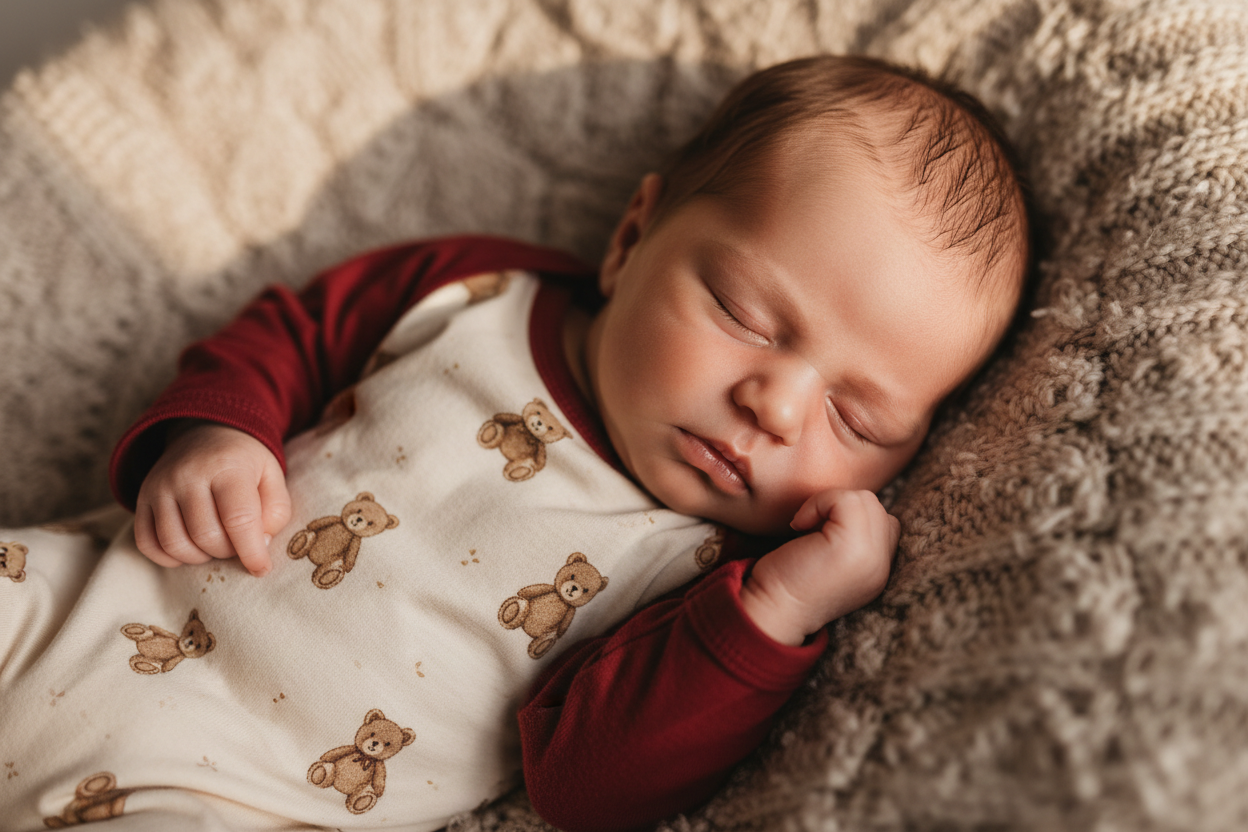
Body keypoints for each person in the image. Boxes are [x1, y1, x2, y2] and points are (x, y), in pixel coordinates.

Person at [0, 55, 1028, 832]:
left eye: (859, 419)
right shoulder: (480, 294)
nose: (777, 405)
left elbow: (593, 784)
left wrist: (782, 608)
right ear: (633, 237)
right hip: (78, 601)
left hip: (223, 794)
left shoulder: (711, 581)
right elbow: (297, 331)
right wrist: (218, 428)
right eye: (747, 313)